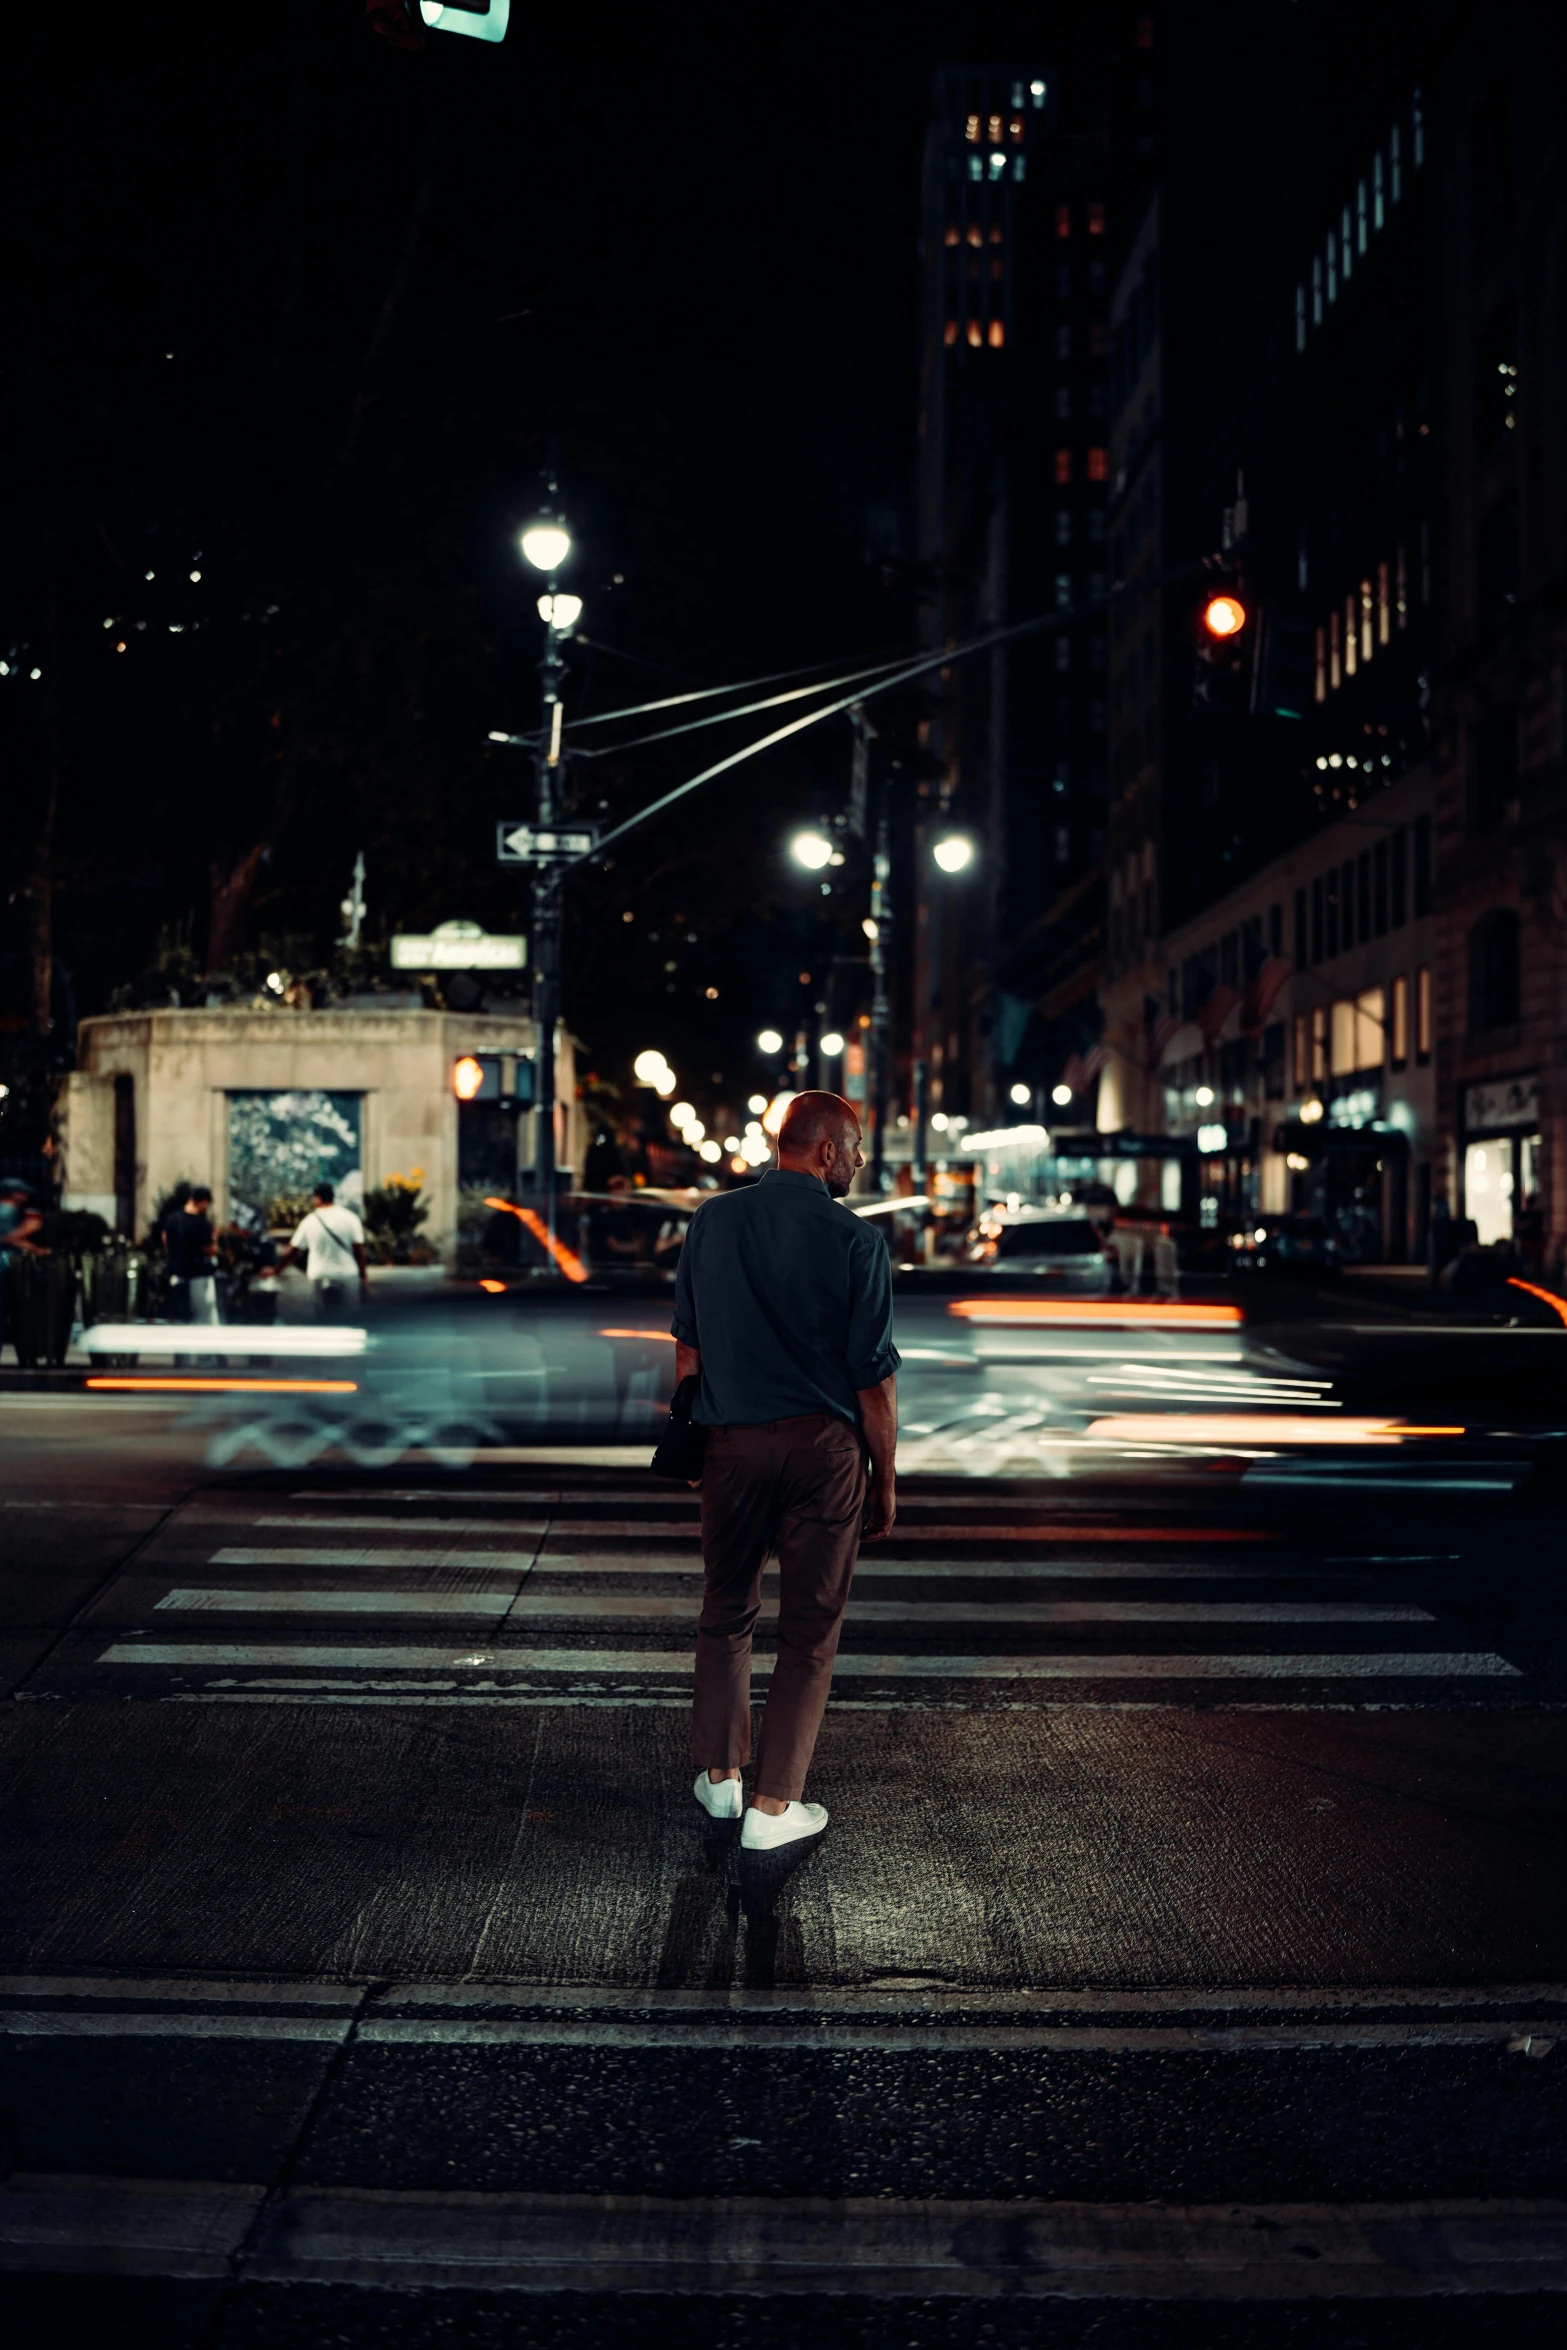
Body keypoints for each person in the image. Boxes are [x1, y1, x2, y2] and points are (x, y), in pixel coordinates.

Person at [672, 1090, 900, 1852]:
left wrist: (695, 1440)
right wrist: (886, 1475)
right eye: (858, 1147)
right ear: (828, 1151)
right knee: (808, 1628)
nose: (863, 1162)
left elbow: (688, 1351)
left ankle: (719, 1779)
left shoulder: (712, 1220)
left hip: (730, 1442)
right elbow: (872, 1379)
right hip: (823, 1451)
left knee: (725, 1608)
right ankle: (773, 1810)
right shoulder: (855, 1241)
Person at [285, 1180, 368, 1318]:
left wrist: (275, 1270)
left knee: (322, 1318)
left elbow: (293, 1251)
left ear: (317, 1198)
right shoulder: (350, 1218)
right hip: (347, 1274)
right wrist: (363, 1278)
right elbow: (359, 1250)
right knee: (351, 1319)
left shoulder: (309, 1221)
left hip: (319, 1274)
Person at [0, 1177, 45, 1362]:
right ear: (14, 1194)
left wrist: (34, 1248)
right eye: (22, 1192)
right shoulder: (6, 1211)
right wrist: (29, 1229)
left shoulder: (10, 1211)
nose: (26, 1196)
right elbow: (5, 1238)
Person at [165, 1185, 219, 1324]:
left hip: (176, 1274)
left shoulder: (172, 1219)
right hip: (198, 1277)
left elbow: (165, 1240)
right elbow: (210, 1250)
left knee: (179, 1319)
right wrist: (215, 1239)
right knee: (202, 1320)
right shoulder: (201, 1223)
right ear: (204, 1201)